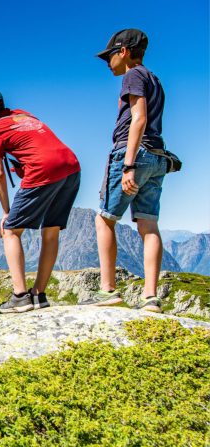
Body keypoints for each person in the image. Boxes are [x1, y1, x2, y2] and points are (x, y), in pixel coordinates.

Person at [0, 89, 81, 313]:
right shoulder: (23, 114)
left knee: (11, 230)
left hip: (43, 169)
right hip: (71, 166)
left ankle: (20, 296)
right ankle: (39, 294)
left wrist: (6, 212)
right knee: (50, 230)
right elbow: (4, 127)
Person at [87, 29, 167, 313]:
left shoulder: (133, 75)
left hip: (133, 152)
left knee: (104, 220)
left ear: (123, 51)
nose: (107, 62)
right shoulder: (154, 79)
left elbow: (139, 118)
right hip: (157, 156)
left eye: (109, 56)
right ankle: (150, 297)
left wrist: (128, 164)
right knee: (148, 225)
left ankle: (108, 290)